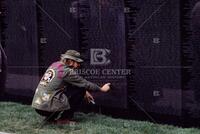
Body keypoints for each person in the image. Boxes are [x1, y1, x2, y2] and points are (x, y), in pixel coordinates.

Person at [32, 50, 111, 124]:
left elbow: (66, 83)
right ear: (70, 61)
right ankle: (64, 119)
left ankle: (50, 118)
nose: (79, 65)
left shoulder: (54, 65)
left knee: (77, 90)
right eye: (77, 62)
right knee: (81, 91)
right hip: (46, 108)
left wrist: (86, 92)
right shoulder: (67, 71)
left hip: (38, 106)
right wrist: (101, 89)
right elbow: (85, 83)